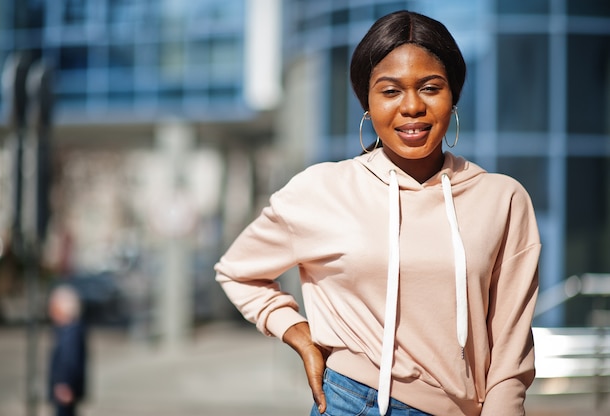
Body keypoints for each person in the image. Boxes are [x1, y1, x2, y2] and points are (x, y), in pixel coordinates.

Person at [215, 10, 540, 416]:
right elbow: (238, 271)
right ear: (366, 102)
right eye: (390, 91)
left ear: (453, 95)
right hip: (352, 401)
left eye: (430, 88)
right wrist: (296, 331)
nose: (411, 107)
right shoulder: (321, 189)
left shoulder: (502, 199)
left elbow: (510, 348)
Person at [47, 284, 88, 416]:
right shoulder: (70, 329)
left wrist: (65, 384)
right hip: (66, 389)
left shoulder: (70, 331)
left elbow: (70, 360)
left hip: (65, 390)